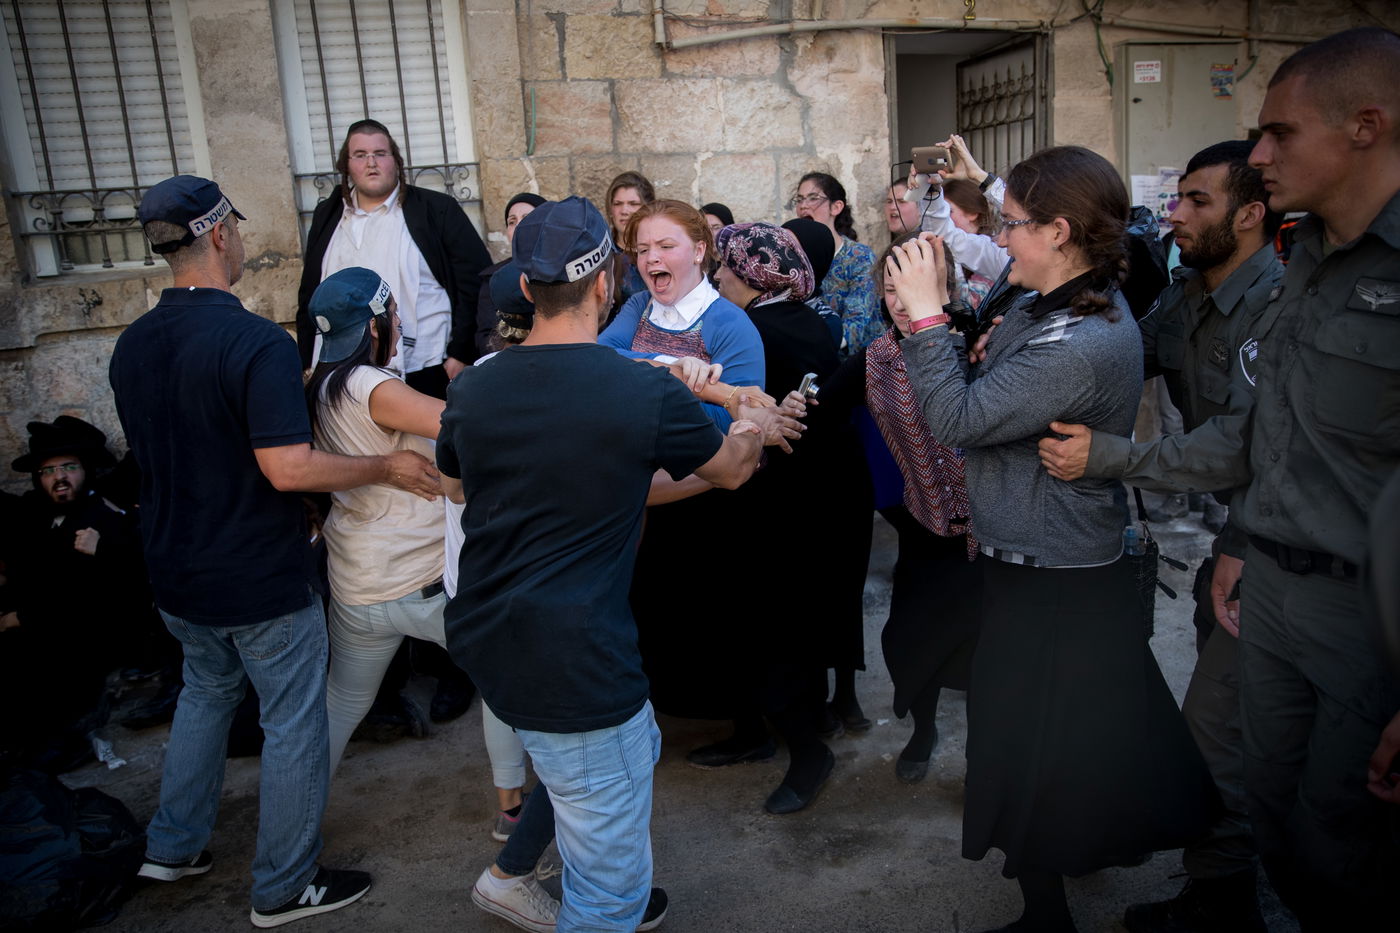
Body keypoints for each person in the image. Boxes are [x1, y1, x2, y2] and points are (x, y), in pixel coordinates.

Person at [1038, 28, 1400, 929]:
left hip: (1367, 611)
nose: (1262, 154)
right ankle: (1226, 896)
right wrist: (1241, 542)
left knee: (1344, 830)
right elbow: (1278, 431)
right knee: (1253, 787)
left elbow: (1246, 430)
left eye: (1280, 133)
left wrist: (1114, 458)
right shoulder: (1313, 257)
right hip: (1268, 578)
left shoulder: (1293, 276)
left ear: (1367, 125)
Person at [889, 147, 1219, 931]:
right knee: (1073, 738)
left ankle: (1049, 911)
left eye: (1013, 224)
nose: (1001, 238)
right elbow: (987, 381)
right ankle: (1080, 864)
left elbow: (959, 420)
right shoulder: (1043, 299)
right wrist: (965, 332)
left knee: (1037, 746)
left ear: (1061, 230)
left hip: (1056, 575)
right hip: (1034, 561)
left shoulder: (1080, 337)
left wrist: (929, 320)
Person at [110, 175, 439, 928]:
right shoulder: (253, 340)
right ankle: (285, 884)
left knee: (206, 692)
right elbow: (288, 469)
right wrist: (385, 465)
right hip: (255, 573)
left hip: (173, 569)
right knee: (293, 718)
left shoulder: (133, 343)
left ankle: (174, 844)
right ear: (222, 233)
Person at [438, 195, 768, 931]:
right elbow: (732, 469)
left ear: (527, 289)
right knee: (610, 895)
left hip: (493, 641)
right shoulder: (640, 388)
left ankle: (519, 871)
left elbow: (459, 484)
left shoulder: (472, 388)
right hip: (576, 657)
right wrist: (751, 416)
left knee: (607, 756)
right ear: (605, 284)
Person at [1036, 140, 1283, 931]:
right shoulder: (1188, 294)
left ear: (1250, 214)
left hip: (1282, 535)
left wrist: (1110, 458)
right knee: (1235, 716)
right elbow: (1122, 353)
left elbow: (1242, 443)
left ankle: (1225, 892)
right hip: (1240, 535)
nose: (1175, 214)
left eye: (1198, 202)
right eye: (1177, 197)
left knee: (1217, 727)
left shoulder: (1274, 305)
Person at [295, 118, 486, 724]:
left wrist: (460, 352)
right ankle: (397, 670)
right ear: (345, 164)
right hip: (352, 374)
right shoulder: (331, 218)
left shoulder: (432, 210)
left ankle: (456, 666)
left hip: (427, 372)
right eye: (360, 155)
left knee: (442, 500)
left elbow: (475, 277)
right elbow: (311, 297)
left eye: (381, 153)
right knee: (382, 498)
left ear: (397, 159)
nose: (372, 163)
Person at [712, 221, 869, 812]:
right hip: (802, 498)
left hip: (801, 505)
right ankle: (762, 732)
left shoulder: (763, 329)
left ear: (755, 276)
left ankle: (808, 751)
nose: (719, 275)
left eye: (729, 267)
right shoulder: (789, 318)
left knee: (782, 626)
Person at [816, 233, 981, 784]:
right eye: (888, 289)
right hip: (923, 524)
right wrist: (783, 405)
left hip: (991, 527)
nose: (897, 299)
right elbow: (819, 413)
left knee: (989, 647)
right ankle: (925, 729)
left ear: (945, 285)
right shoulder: (877, 358)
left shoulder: (980, 341)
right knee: (913, 638)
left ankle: (987, 754)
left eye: (909, 286)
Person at [300, 267, 453, 775]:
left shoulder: (320, 385)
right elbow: (462, 425)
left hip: (356, 582)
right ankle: (512, 808)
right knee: (513, 681)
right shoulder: (368, 384)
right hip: (421, 580)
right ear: (373, 327)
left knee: (339, 706)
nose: (398, 321)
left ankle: (290, 824)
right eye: (392, 313)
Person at [1, 416, 168, 771]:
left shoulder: (104, 513)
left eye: (69, 467)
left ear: (85, 469)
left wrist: (105, 547)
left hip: (84, 640)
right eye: (49, 471)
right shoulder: (34, 515)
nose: (59, 477)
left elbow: (110, 590)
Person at [792, 172, 884, 355]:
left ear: (836, 207)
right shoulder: (793, 257)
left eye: (813, 198)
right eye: (800, 199)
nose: (804, 206)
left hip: (859, 362)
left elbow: (857, 322)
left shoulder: (859, 257)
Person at [472, 192, 546, 359]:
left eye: (527, 218)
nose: (519, 226)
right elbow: (485, 337)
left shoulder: (566, 270)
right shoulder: (493, 278)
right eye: (512, 222)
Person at [606, 170, 656, 305]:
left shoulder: (659, 252)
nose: (624, 211)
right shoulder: (600, 253)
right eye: (618, 204)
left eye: (633, 204)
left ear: (647, 207)